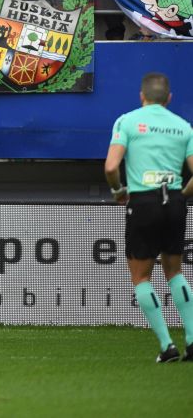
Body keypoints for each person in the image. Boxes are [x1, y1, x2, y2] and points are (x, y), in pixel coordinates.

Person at [104, 72, 193, 362]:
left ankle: (167, 346)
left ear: (142, 96)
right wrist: (182, 194)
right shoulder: (183, 127)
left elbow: (111, 167)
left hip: (143, 202)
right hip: (174, 201)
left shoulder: (127, 121)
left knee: (141, 276)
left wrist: (118, 191)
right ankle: (192, 340)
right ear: (169, 98)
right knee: (175, 273)